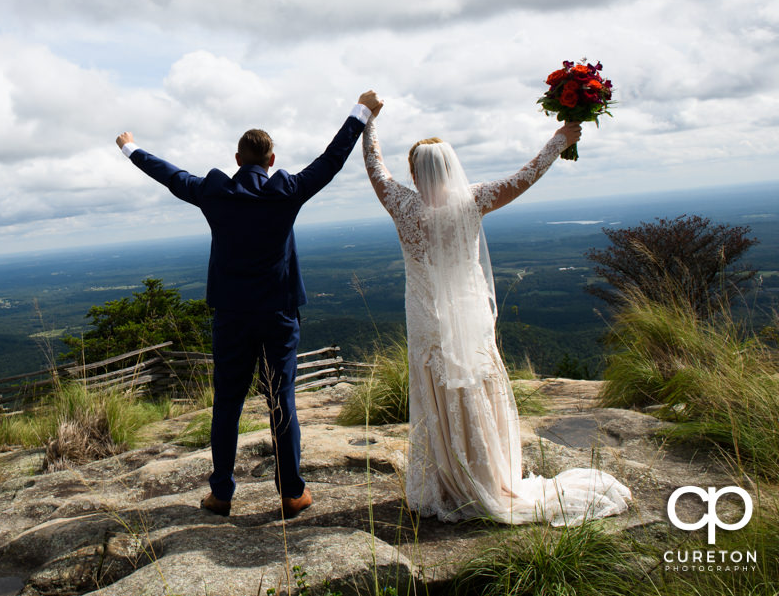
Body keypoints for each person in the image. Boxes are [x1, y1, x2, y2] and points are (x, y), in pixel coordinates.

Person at [117, 90, 382, 519]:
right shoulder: (287, 192)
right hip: (278, 314)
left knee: (227, 404)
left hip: (232, 315)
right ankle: (291, 493)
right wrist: (362, 112)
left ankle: (221, 494)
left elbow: (169, 174)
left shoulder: (214, 194)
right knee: (282, 400)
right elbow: (331, 160)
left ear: (237, 159)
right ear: (271, 160)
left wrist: (130, 147)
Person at [361, 107, 631, 525]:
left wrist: (369, 118)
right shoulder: (474, 201)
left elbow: (374, 167)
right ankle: (488, 474)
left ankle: (446, 482)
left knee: (434, 392)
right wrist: (561, 140)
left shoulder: (400, 205)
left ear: (415, 174)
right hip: (468, 320)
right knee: (476, 388)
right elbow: (527, 175)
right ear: (452, 170)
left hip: (425, 321)